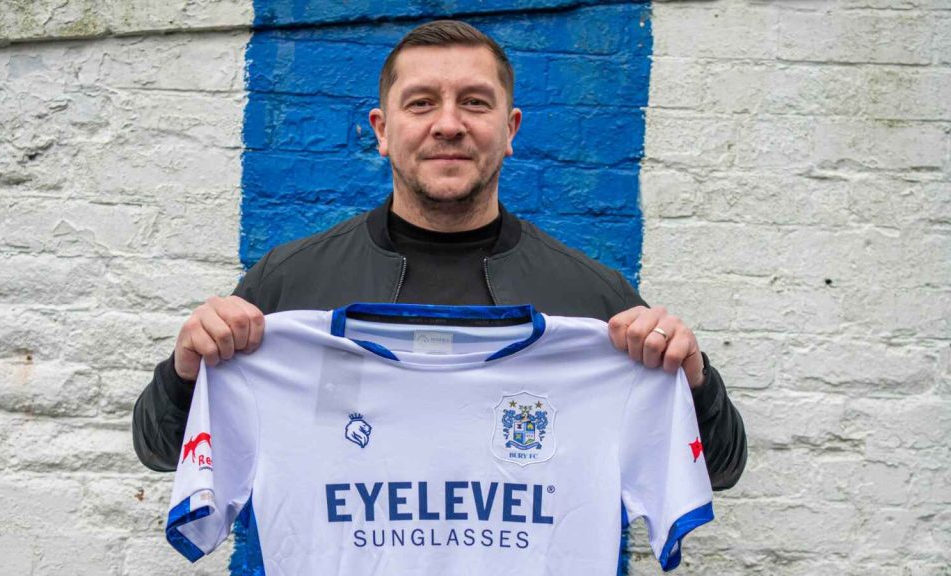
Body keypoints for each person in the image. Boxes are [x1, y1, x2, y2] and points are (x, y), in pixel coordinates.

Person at [132, 20, 746, 490]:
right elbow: (162, 450)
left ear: (510, 130)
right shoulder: (292, 282)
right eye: (421, 103)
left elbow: (717, 469)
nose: (448, 124)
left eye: (475, 103)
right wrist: (187, 371)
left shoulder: (593, 300)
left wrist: (691, 379)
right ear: (381, 129)